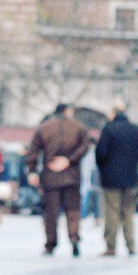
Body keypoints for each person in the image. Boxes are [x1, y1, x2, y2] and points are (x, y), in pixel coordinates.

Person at [26, 103, 88, 256]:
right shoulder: (79, 127)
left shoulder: (44, 128)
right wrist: (69, 160)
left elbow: (33, 151)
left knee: (50, 213)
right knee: (73, 210)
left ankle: (50, 244)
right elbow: (85, 147)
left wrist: (32, 171)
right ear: (67, 111)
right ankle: (74, 238)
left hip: (50, 177)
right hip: (72, 177)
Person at [95, 99, 138, 256]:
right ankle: (131, 245)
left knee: (112, 212)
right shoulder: (137, 130)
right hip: (131, 177)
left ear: (113, 113)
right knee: (128, 212)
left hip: (111, 178)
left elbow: (100, 153)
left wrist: (104, 168)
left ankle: (111, 246)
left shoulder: (109, 129)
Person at [80, 146, 101, 224]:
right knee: (91, 200)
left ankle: (94, 217)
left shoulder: (91, 155)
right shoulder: (86, 155)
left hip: (93, 182)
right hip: (88, 182)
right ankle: (84, 216)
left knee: (95, 200)